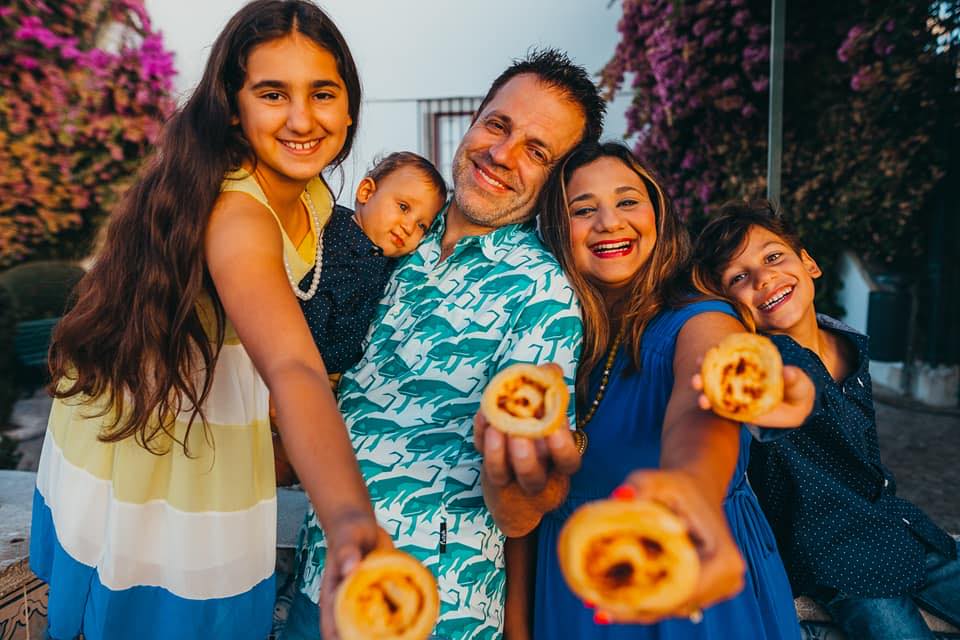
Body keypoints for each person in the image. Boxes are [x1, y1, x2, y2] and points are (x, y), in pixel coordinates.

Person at [29, 2, 386, 639]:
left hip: (203, 417)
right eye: (273, 92)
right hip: (159, 444)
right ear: (233, 104)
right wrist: (352, 524)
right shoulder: (239, 212)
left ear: (350, 106)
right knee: (164, 610)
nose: (303, 119)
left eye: (322, 92)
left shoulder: (307, 192)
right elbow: (294, 366)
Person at [282, 49, 605, 640]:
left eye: (537, 151)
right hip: (317, 579)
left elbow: (517, 513)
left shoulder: (544, 296)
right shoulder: (392, 235)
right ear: (476, 120)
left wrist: (522, 474)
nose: (502, 154)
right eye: (498, 125)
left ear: (557, 178)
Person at [520, 141, 805, 639]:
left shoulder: (702, 318)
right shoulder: (548, 338)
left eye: (628, 201)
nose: (609, 221)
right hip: (569, 596)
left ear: (658, 213)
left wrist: (691, 490)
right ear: (556, 232)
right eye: (583, 209)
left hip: (686, 586)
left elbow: (703, 406)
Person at [692, 201, 960, 640]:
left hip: (900, 528)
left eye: (773, 256)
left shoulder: (848, 340)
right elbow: (772, 398)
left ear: (810, 264)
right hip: (836, 560)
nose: (763, 278)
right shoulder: (771, 359)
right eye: (739, 278)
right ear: (731, 307)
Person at [272, 152, 446, 485]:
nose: (410, 227)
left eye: (422, 225)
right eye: (404, 207)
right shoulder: (329, 227)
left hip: (332, 380)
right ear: (366, 193)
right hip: (290, 358)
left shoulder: (392, 266)